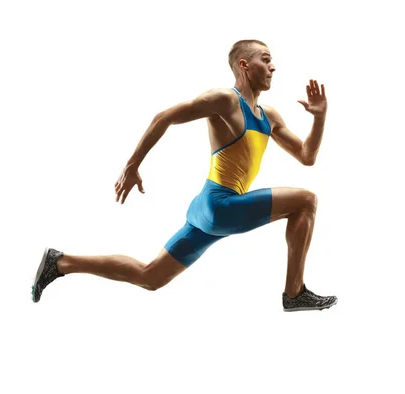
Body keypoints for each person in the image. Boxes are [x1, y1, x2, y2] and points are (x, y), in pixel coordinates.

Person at [31, 39, 337, 312]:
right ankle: (294, 293)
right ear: (244, 65)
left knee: (150, 277)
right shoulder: (226, 100)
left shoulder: (269, 117)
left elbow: (306, 156)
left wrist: (320, 118)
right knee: (306, 200)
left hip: (209, 210)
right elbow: (165, 117)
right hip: (220, 206)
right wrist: (132, 165)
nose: (273, 67)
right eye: (265, 59)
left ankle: (60, 262)